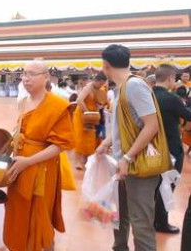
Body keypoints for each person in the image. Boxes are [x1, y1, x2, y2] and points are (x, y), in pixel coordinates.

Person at [4, 60, 75, 251]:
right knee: (17, 213)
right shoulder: (23, 102)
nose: (25, 79)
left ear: (46, 78)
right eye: (24, 74)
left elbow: (61, 145)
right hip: (18, 167)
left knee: (39, 214)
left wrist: (28, 161)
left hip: (41, 169)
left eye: (31, 74)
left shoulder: (57, 105)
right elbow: (19, 133)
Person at [97, 44, 161, 251]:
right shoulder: (120, 89)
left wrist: (128, 157)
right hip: (123, 163)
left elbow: (152, 125)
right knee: (120, 215)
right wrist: (106, 144)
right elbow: (124, 127)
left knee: (140, 223)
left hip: (138, 165)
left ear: (106, 66)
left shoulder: (134, 86)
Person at [152, 64, 191, 233]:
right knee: (168, 184)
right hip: (172, 148)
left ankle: (153, 219)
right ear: (169, 78)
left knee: (155, 185)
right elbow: (188, 115)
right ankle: (161, 222)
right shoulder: (171, 98)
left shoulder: (148, 96)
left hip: (151, 147)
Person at [72, 72, 107, 170]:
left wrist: (99, 106)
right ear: (97, 81)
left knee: (91, 138)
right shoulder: (88, 88)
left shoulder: (99, 89)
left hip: (93, 115)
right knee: (81, 138)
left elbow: (101, 102)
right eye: (101, 83)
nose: (102, 85)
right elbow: (79, 100)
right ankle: (79, 162)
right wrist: (87, 112)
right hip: (82, 115)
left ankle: (85, 161)